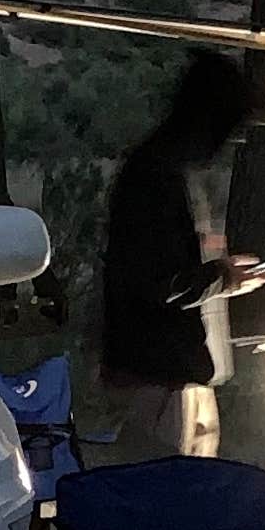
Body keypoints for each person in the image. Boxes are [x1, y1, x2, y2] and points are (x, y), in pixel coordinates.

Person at [100, 49, 255, 458]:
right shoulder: (153, 178)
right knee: (166, 501)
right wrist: (222, 278)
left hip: (178, 378)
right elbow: (159, 282)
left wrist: (221, 275)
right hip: (155, 379)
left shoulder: (168, 172)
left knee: (189, 499)